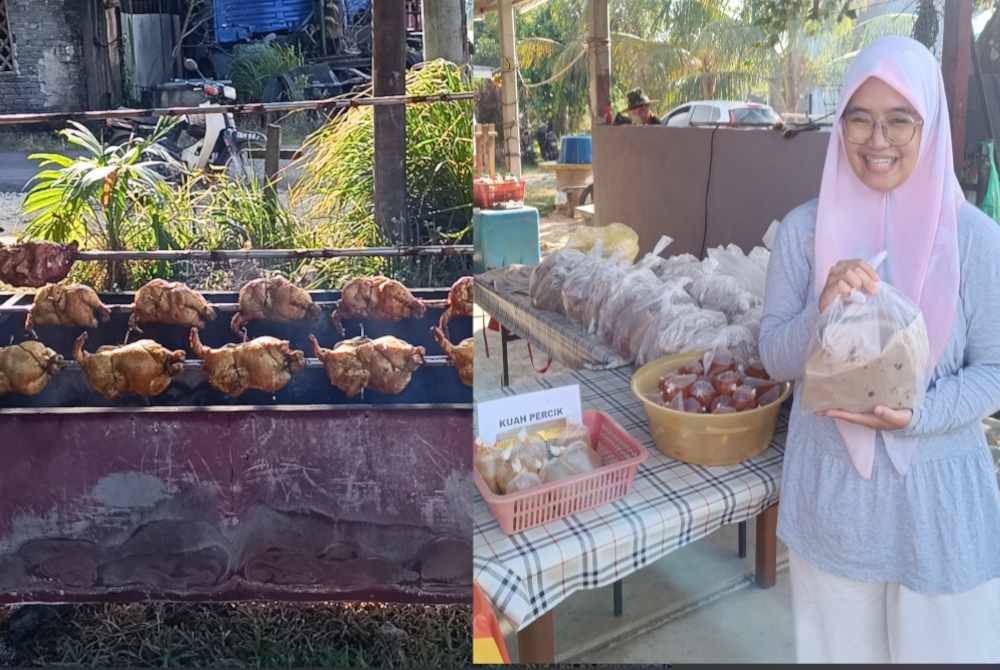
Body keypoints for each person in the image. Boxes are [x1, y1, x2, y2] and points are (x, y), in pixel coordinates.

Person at [759, 36, 1000, 664]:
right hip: (835, 503)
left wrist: (918, 414)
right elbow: (774, 360)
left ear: (932, 123)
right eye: (859, 118)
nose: (877, 139)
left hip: (940, 508)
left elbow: (995, 370)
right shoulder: (803, 233)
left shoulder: (976, 240)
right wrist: (821, 312)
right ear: (839, 123)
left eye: (900, 119)